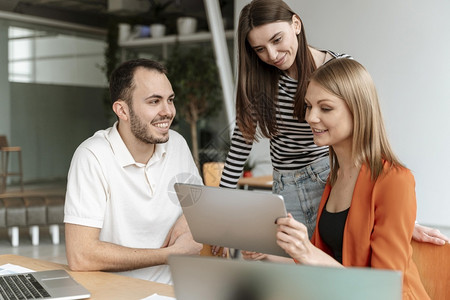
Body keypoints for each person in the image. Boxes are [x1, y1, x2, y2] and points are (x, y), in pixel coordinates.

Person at [217, 0, 448, 250]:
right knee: (293, 273)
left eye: (277, 40)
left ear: (296, 24)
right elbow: (240, 147)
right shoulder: (261, 79)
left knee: (339, 263)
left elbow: (366, 134)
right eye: (260, 49)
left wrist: (395, 215)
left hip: (330, 181)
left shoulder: (336, 69)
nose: (271, 55)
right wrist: (217, 213)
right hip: (284, 188)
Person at [274, 58, 429, 299]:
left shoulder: (395, 180)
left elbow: (385, 289)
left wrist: (308, 253)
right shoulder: (335, 177)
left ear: (358, 110)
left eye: (325, 108)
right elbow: (323, 258)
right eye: (308, 106)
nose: (311, 118)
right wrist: (269, 255)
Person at [64, 58, 203, 285]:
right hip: (119, 292)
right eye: (154, 101)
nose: (168, 112)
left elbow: (198, 204)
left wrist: (189, 217)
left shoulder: (176, 144)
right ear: (122, 110)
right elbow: (81, 256)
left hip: (176, 290)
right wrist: (168, 255)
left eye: (170, 100)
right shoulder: (92, 156)